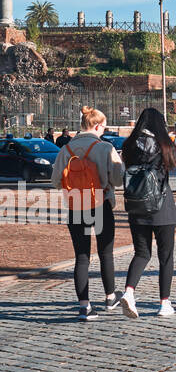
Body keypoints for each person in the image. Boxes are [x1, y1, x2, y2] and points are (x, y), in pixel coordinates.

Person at [51, 106, 125, 321]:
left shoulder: (66, 150)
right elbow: (118, 181)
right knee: (106, 253)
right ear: (98, 125)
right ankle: (110, 297)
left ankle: (84, 306)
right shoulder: (104, 148)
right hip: (100, 204)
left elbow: (56, 181)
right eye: (104, 127)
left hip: (76, 206)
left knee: (81, 258)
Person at [120, 107, 176, 318]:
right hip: (162, 207)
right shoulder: (164, 147)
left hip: (137, 206)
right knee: (166, 257)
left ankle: (129, 292)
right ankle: (164, 303)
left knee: (141, 253)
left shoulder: (129, 145)